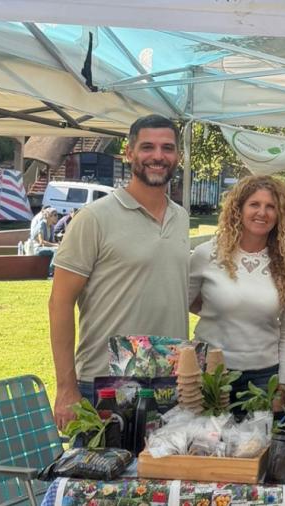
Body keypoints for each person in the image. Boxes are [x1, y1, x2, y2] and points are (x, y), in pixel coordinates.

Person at [49, 114, 190, 430]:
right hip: (106, 384)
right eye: (147, 147)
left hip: (168, 381)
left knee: (164, 464)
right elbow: (59, 303)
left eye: (167, 148)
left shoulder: (180, 218)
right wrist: (66, 387)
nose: (158, 156)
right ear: (129, 152)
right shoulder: (93, 219)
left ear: (178, 156)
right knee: (103, 463)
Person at [189, 175, 285, 411]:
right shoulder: (206, 254)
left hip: (263, 379)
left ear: (280, 214)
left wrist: (281, 386)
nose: (262, 212)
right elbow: (183, 304)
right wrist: (219, 311)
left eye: (271, 206)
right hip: (210, 375)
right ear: (238, 209)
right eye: (254, 204)